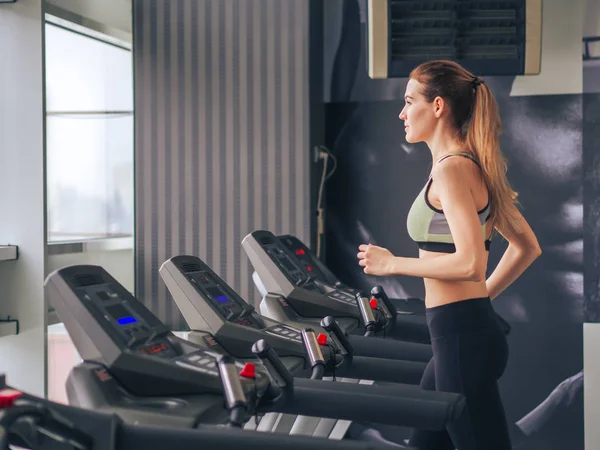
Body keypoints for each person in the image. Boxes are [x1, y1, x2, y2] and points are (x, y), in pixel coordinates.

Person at [356, 60, 543, 450]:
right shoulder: (465, 164)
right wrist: (480, 299)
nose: (401, 112)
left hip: (461, 338)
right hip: (460, 332)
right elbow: (527, 248)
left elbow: (470, 264)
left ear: (438, 106)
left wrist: (392, 264)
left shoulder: (453, 170)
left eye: (410, 101)